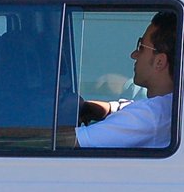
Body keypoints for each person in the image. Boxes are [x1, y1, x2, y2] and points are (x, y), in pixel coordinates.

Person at [75, 11, 177, 149]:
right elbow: (135, 110)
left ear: (159, 61)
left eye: (141, 47)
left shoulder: (150, 116)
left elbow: (73, 142)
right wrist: (104, 109)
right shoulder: (171, 106)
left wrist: (37, 137)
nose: (133, 55)